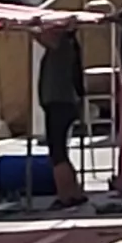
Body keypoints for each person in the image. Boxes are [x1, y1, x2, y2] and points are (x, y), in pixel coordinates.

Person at [34, 22, 88, 210]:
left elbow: (42, 38)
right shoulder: (70, 46)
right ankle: (74, 191)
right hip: (65, 102)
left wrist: (32, 27)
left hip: (58, 103)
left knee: (57, 152)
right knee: (62, 151)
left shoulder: (61, 46)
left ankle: (65, 195)